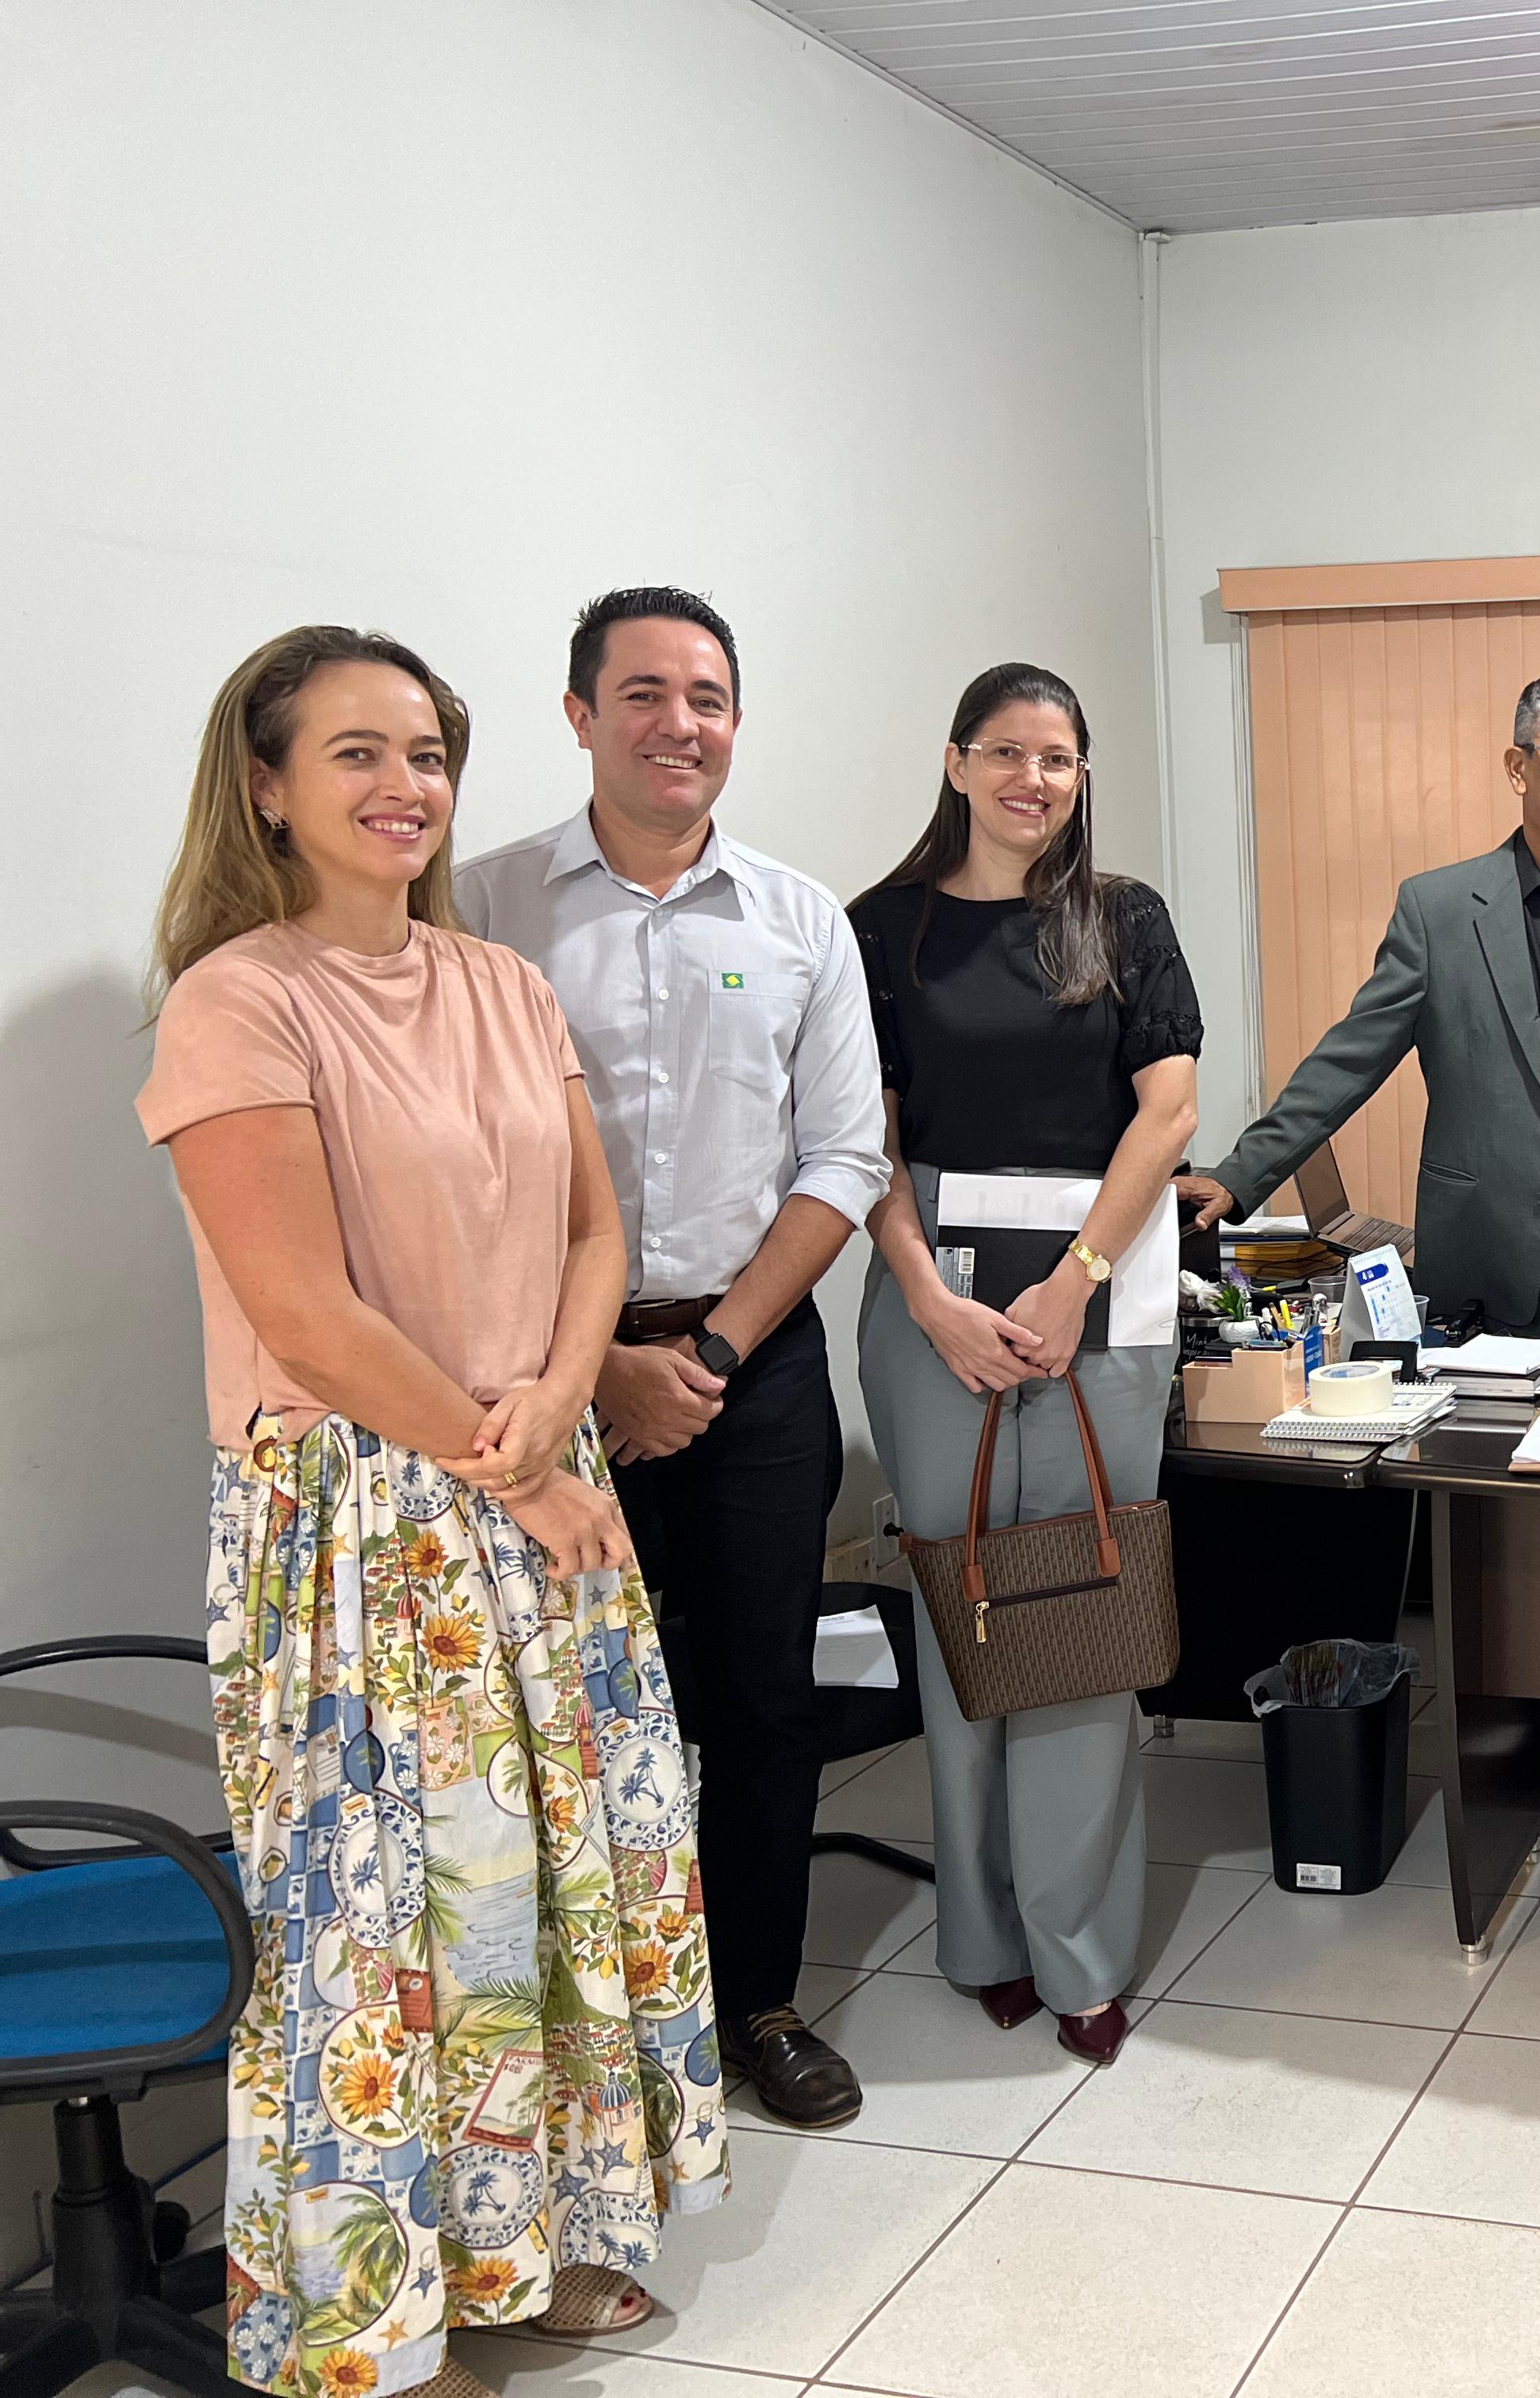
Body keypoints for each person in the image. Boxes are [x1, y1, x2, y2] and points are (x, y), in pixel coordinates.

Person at [139, 627, 724, 2398]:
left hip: (538, 1482)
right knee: (395, 1921)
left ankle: (524, 2249)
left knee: (551, 1892)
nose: (407, 788)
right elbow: (305, 1313)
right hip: (363, 1516)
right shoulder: (236, 1000)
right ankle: (383, 2312)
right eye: (357, 754)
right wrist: (520, 1460)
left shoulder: (502, 984)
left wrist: (557, 1411)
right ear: (266, 787)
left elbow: (594, 1232)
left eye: (428, 755)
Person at [462, 589, 891, 2127]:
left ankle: (755, 2002)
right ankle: (602, 2038)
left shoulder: (800, 919)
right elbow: (467, 1167)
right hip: (546, 1378)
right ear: (582, 716)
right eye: (643, 693)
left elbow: (844, 1158)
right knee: (574, 1708)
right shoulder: (483, 908)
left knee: (764, 1700)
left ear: (735, 723)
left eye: (706, 697)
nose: (679, 724)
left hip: (749, 1367)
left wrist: (703, 1353)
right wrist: (601, 1372)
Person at [1178, 668, 1540, 1801]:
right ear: (1519, 765)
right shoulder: (1438, 907)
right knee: (1517, 1515)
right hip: (1499, 1260)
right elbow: (1351, 1055)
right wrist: (1239, 1173)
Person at [849, 662, 1201, 2065]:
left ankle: (1079, 1950)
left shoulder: (1124, 919)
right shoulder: (883, 928)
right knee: (964, 1609)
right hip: (928, 1297)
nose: (1032, 780)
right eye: (1005, 752)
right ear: (955, 762)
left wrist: (1075, 1281)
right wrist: (927, 1296)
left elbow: (1167, 1113)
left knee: (1079, 1611)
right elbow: (862, 1137)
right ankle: (984, 1934)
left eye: (1057, 758)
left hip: (1095, 1292)